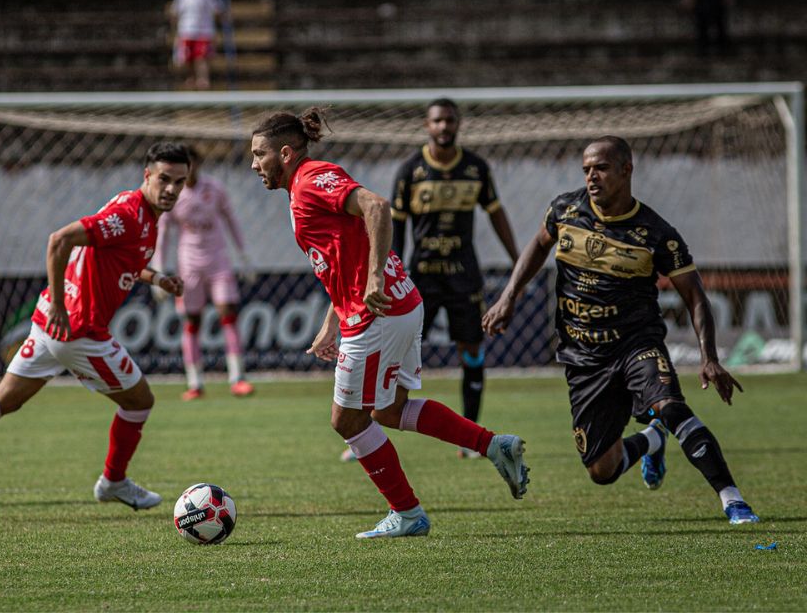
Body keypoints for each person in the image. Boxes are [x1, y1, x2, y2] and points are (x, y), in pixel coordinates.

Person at [250, 109, 528, 538]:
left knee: (347, 422)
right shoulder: (300, 187)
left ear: (284, 153)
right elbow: (342, 257)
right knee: (389, 410)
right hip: (396, 306)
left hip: (378, 315)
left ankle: (408, 513)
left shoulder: (310, 179)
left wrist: (375, 277)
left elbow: (376, 206)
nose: (254, 163)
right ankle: (494, 445)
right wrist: (332, 321)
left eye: (259, 154)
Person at [0, 143, 192, 517]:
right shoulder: (129, 215)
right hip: (78, 330)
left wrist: (157, 278)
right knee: (140, 401)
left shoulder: (140, 213)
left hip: (50, 323)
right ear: (147, 176)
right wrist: (63, 310)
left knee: (4, 400)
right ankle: (113, 481)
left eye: (180, 182)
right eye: (164, 179)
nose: (172, 189)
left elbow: (120, 259)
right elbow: (59, 239)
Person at [483, 136, 759, 526]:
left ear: (626, 170)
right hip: (583, 356)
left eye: (601, 168)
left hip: (636, 345)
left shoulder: (656, 233)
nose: (592, 177)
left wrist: (709, 358)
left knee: (671, 407)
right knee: (602, 470)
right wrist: (509, 295)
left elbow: (695, 296)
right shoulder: (565, 209)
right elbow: (538, 246)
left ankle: (733, 500)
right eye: (586, 169)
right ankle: (651, 440)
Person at [358, 98, 519, 460]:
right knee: (393, 352)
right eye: (437, 121)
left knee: (472, 351)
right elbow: (394, 227)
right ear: (426, 126)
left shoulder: (476, 168)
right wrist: (384, 272)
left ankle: (471, 438)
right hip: (421, 280)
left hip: (464, 276)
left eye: (449, 120)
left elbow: (496, 213)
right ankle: (368, 433)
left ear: (458, 123)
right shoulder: (410, 171)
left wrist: (518, 259)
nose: (444, 127)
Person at [155, 146, 252, 400]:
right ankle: (195, 382)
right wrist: (158, 270)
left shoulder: (214, 189)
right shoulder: (172, 195)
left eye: (192, 164)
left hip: (218, 260)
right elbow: (163, 233)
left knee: (227, 313)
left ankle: (237, 378)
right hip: (189, 265)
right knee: (192, 321)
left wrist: (243, 255)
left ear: (197, 164)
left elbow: (231, 220)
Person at [169, 0, 222, 90]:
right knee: (188, 58)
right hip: (187, 30)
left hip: (204, 31)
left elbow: (218, 10)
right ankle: (192, 78)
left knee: (201, 57)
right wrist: (175, 30)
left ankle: (203, 79)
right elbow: (174, 13)